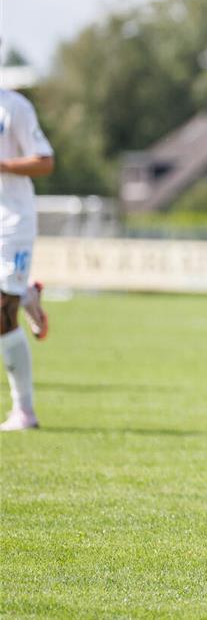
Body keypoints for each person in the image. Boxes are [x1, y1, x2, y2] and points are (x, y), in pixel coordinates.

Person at [1, 88, 54, 432]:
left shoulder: (14, 108)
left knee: (0, 309)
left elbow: (45, 161)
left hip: (11, 222)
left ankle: (24, 411)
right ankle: (26, 296)